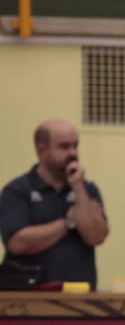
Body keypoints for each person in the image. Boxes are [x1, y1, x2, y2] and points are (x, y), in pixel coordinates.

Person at [0, 121, 110, 289]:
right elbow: (18, 243)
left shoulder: (87, 190)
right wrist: (69, 223)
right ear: (42, 150)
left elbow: (96, 237)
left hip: (79, 298)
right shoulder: (17, 190)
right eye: (64, 147)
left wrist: (78, 187)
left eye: (75, 146)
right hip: (27, 300)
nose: (73, 153)